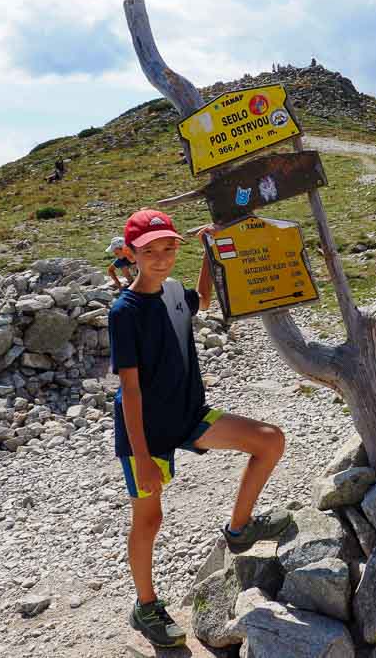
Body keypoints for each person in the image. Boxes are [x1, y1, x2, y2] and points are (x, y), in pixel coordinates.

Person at [109, 208, 290, 649]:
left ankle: (238, 530)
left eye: (169, 247)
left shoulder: (172, 291)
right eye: (150, 250)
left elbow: (202, 301)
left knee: (269, 441)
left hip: (189, 414)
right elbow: (129, 392)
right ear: (132, 254)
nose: (162, 256)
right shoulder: (124, 311)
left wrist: (209, 253)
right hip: (145, 433)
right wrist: (144, 457)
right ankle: (145, 606)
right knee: (150, 519)